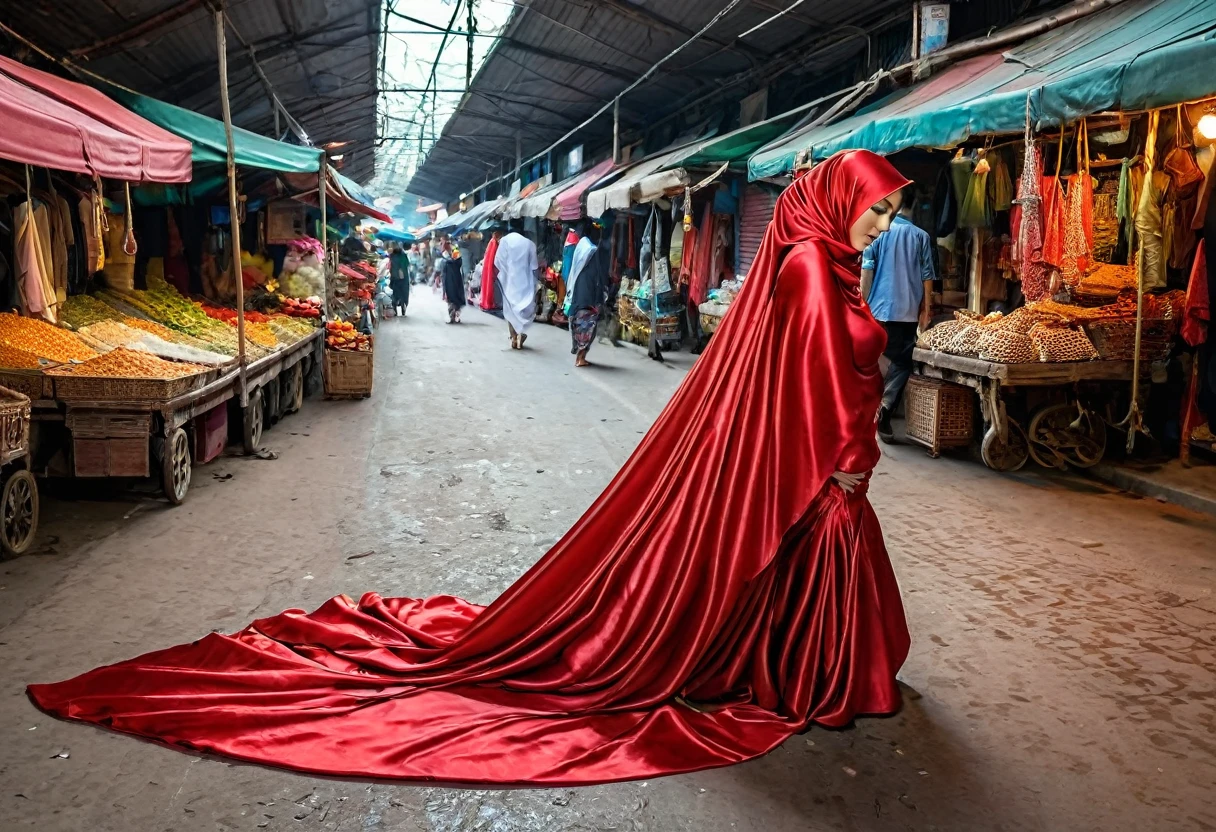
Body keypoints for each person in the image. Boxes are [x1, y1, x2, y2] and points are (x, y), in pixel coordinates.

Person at [28, 150, 912, 787]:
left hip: (836, 461)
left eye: (887, 214)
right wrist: (839, 462)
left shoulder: (826, 268)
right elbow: (806, 387)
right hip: (829, 461)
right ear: (835, 203)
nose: (884, 225)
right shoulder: (804, 268)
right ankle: (807, 671)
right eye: (875, 210)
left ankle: (798, 664)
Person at [860, 183, 935, 443]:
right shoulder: (921, 236)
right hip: (906, 313)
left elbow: (866, 270)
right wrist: (926, 310)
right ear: (913, 206)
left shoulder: (879, 234)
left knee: (872, 361)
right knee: (902, 363)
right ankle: (886, 408)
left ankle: (867, 410)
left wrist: (862, 304)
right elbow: (927, 277)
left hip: (877, 310)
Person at [564, 222, 609, 367]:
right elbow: (598, 277)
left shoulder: (581, 248)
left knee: (578, 325)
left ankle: (579, 355)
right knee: (587, 327)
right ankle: (581, 357)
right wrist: (600, 298)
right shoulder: (592, 251)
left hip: (578, 295)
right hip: (588, 297)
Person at [497, 220, 539, 350]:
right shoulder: (530, 244)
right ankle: (521, 334)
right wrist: (536, 282)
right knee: (523, 309)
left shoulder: (504, 241)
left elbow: (498, 261)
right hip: (525, 281)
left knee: (510, 309)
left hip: (510, 280)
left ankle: (514, 337)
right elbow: (534, 266)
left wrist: (505, 273)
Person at [479, 225, 503, 311]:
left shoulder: (492, 242)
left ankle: (490, 301)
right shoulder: (494, 243)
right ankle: (491, 302)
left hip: (489, 268)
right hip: (492, 269)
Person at [440, 245, 466, 324]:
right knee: (452, 299)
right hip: (451, 280)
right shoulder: (448, 256)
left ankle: (454, 317)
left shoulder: (454, 252)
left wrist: (447, 257)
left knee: (454, 299)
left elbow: (456, 262)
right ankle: (453, 317)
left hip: (453, 280)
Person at [388, 244, 410, 318]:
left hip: (394, 279)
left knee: (394, 294)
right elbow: (407, 265)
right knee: (403, 294)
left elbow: (390, 267)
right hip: (403, 279)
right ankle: (403, 308)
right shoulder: (403, 256)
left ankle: (395, 310)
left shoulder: (392, 256)